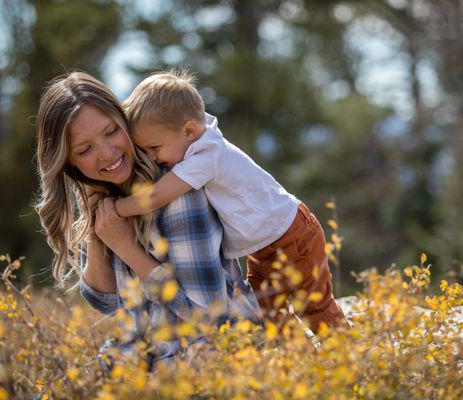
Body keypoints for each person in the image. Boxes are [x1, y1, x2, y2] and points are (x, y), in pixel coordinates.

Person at [33, 71, 261, 368]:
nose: (107, 153)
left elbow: (210, 316)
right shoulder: (108, 193)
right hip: (144, 357)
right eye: (85, 149)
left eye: (112, 131)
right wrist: (95, 225)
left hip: (209, 357)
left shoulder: (174, 190)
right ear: (69, 162)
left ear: (124, 120)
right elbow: (106, 302)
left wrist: (128, 249)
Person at [113, 70, 348, 333]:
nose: (152, 158)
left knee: (314, 307)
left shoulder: (206, 154)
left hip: (292, 236)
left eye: (154, 148)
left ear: (189, 130)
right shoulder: (193, 141)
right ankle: (296, 365)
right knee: (269, 315)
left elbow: (157, 196)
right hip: (263, 247)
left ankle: (354, 360)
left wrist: (116, 209)